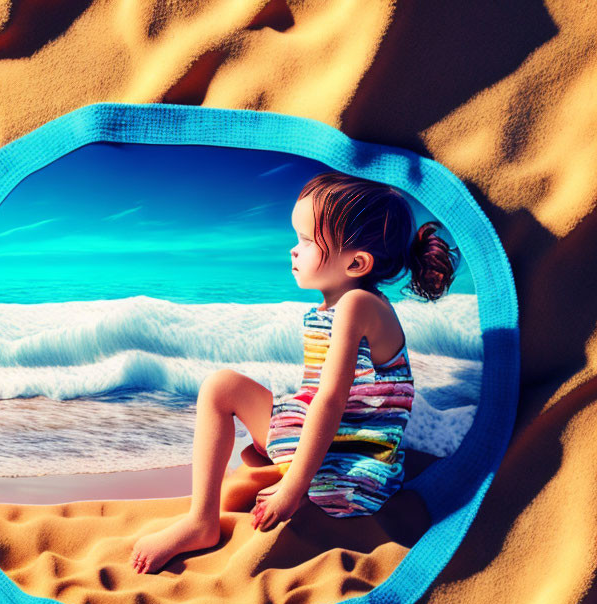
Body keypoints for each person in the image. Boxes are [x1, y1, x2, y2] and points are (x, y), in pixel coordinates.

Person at [131, 171, 459, 574]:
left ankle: (207, 520)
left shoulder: (359, 306)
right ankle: (263, 481)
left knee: (235, 431)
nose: (293, 251)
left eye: (306, 242)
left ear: (357, 262)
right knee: (222, 388)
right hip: (329, 431)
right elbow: (318, 393)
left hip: (354, 456)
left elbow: (331, 400)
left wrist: (293, 486)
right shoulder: (330, 309)